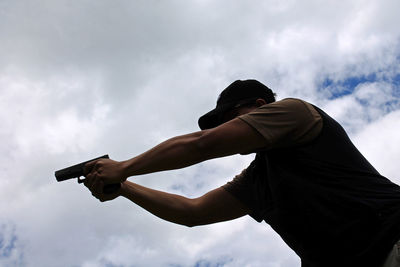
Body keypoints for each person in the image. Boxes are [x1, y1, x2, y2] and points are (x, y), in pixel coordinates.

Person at [84, 79, 400, 267]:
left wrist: (123, 166)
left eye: (229, 118)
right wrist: (124, 186)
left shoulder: (294, 113)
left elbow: (202, 144)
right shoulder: (259, 178)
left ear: (260, 104)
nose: (225, 128)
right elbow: (192, 211)